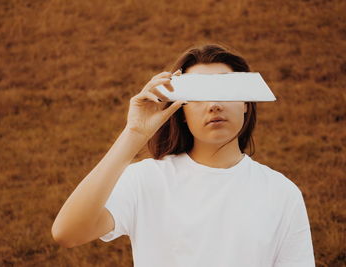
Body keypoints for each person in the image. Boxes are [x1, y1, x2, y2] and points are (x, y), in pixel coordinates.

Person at [51, 44, 316, 267]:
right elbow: (67, 233)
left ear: (246, 103)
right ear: (182, 112)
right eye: (198, 95)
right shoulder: (147, 179)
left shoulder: (281, 192)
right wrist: (133, 133)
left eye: (225, 91)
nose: (214, 105)